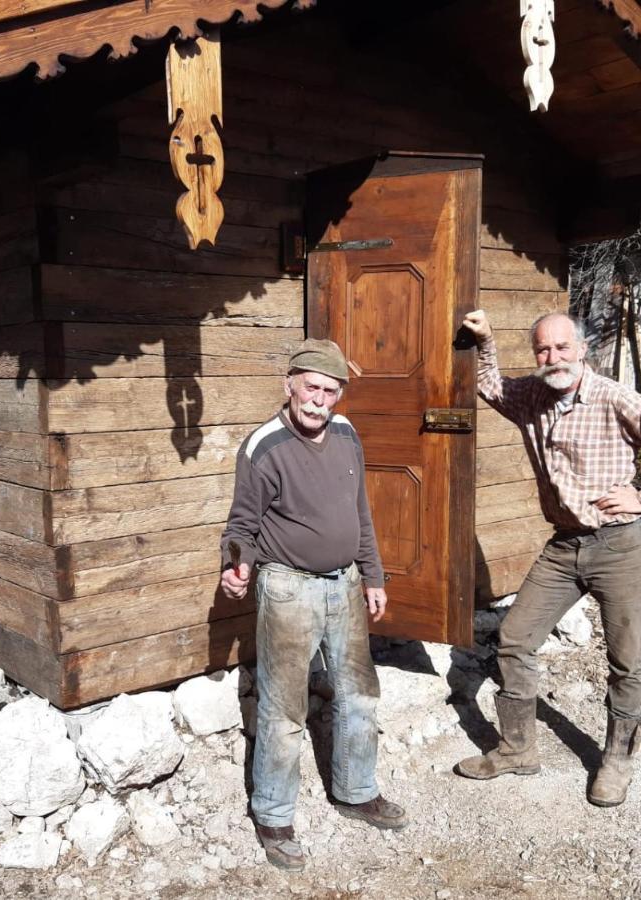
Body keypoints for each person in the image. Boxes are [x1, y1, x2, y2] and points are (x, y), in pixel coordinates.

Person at [455, 310, 641, 807]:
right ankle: (517, 749)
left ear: (583, 349)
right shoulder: (531, 396)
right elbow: (489, 384)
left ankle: (617, 759)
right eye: (543, 350)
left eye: (562, 347)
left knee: (625, 658)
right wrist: (485, 340)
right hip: (564, 544)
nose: (553, 358)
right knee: (514, 638)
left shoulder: (613, 397)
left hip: (619, 545)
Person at [220, 338, 407, 870]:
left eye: (329, 390)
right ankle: (273, 815)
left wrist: (372, 573)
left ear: (338, 394)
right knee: (283, 709)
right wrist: (235, 565)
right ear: (290, 385)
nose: (318, 400)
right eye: (310, 388)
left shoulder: (347, 434)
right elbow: (242, 526)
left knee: (359, 693)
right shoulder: (264, 446)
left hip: (345, 583)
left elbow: (360, 511)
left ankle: (356, 790)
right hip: (288, 587)